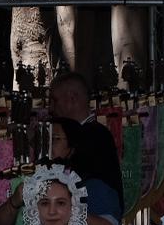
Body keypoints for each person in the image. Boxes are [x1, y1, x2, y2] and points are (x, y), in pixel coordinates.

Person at [48, 72, 124, 209]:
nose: (51, 108)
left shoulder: (95, 135)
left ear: (72, 98)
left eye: (54, 101)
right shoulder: (90, 133)